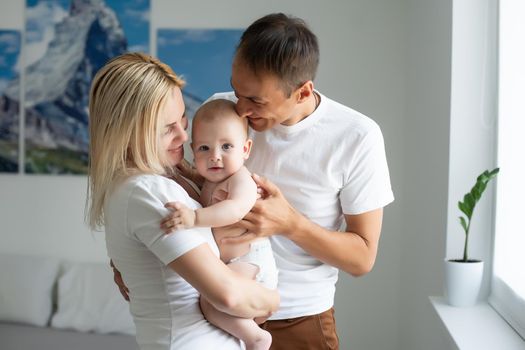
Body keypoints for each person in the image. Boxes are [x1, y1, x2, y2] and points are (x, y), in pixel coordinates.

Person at [115, 13, 394, 349]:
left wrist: (290, 224)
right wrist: (128, 253)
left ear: (303, 92)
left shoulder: (356, 137)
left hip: (300, 320)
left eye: (256, 101)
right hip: (215, 317)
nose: (242, 111)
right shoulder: (222, 111)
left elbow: (362, 258)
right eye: (237, 92)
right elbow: (179, 185)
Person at [87, 52, 279, 350]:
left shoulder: (176, 178)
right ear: (126, 133)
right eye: (167, 128)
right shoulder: (147, 191)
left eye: (182, 120)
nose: (182, 136)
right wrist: (273, 300)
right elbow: (229, 295)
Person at [160, 99, 278, 350]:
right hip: (233, 262)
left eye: (226, 146)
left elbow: (234, 210)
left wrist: (194, 218)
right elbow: (198, 181)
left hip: (249, 260)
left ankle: (256, 337)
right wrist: (179, 169)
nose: (215, 156)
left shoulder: (241, 179)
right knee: (215, 301)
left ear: (245, 149)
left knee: (212, 303)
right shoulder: (212, 179)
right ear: (193, 151)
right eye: (204, 148)